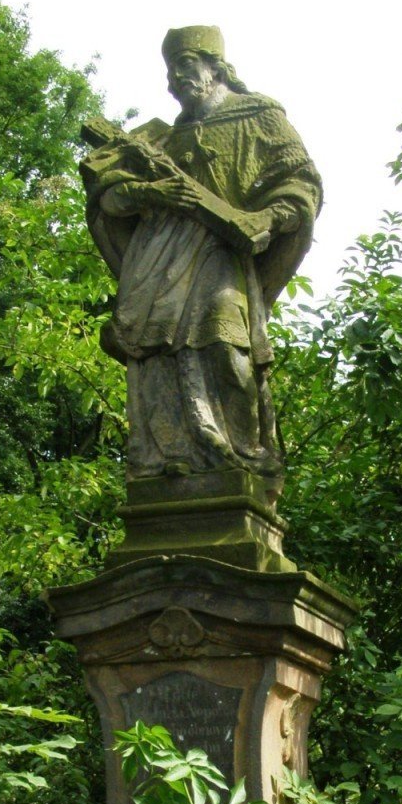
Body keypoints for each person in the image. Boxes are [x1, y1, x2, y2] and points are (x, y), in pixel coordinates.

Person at [81, 26, 322, 494]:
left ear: (216, 66)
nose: (176, 76)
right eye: (171, 68)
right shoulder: (157, 138)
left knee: (225, 347)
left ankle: (244, 459)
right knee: (157, 355)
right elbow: (108, 199)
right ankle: (168, 458)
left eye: (186, 63)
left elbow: (301, 183)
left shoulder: (260, 116)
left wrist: (266, 218)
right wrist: (151, 193)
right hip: (160, 260)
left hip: (221, 253)